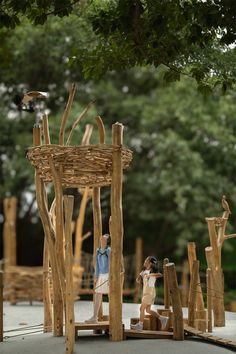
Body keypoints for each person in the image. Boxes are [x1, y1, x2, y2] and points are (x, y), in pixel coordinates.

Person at [130, 256, 169, 331]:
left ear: (150, 263)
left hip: (149, 292)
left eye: (145, 261)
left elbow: (160, 275)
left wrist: (149, 275)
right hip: (146, 292)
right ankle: (163, 319)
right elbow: (138, 280)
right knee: (147, 310)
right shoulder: (144, 271)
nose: (144, 262)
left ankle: (140, 325)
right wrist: (139, 278)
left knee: (142, 308)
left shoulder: (152, 271)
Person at [85, 233, 111, 323]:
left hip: (108, 275)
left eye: (105, 238)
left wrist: (110, 277)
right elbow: (97, 265)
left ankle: (114, 316)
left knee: (110, 295)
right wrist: (96, 276)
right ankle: (94, 317)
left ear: (107, 241)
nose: (102, 238)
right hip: (101, 275)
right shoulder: (98, 251)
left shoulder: (109, 250)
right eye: (102, 237)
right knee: (97, 295)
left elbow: (111, 264)